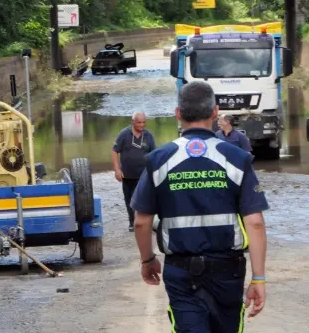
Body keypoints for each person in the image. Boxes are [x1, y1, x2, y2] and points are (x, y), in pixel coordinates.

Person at [131, 81, 268, 332]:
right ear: (215, 113)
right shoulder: (237, 158)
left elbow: (141, 221)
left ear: (178, 114)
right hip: (228, 272)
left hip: (181, 272)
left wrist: (148, 259)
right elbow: (255, 222)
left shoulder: (158, 160)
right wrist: (258, 278)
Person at [111, 111, 156, 232]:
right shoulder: (124, 134)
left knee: (143, 199)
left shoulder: (148, 136)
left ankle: (144, 223)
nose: (142, 125)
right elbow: (115, 151)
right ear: (133, 122)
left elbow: (154, 155)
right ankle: (132, 223)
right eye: (139, 122)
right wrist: (117, 170)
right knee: (129, 199)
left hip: (143, 175)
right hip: (127, 175)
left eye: (144, 123)